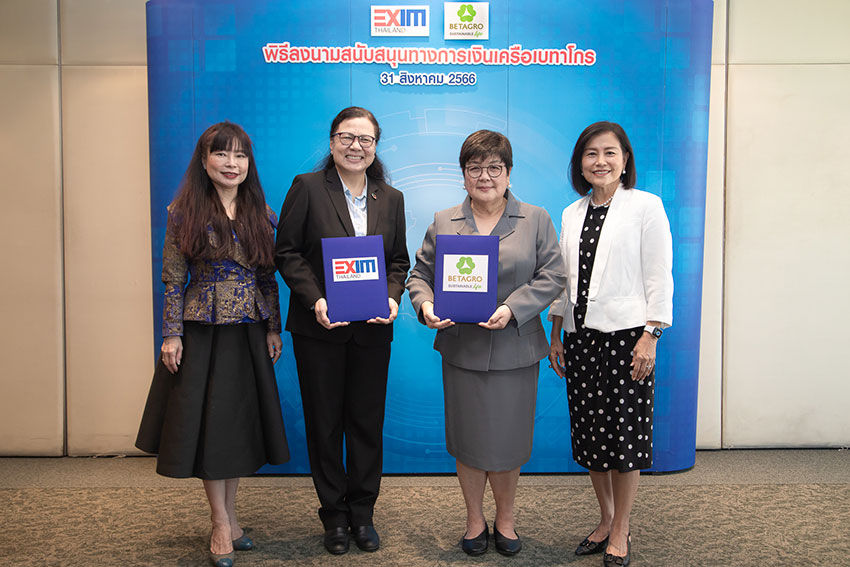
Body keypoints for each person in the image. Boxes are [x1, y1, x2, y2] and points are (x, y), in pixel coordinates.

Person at [136, 122, 290, 567]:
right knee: (210, 427)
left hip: (249, 328)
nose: (231, 163)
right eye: (222, 154)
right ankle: (220, 523)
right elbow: (172, 278)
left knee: (235, 427)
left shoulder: (262, 212)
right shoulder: (182, 211)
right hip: (201, 328)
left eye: (240, 155)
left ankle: (232, 518)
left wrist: (274, 328)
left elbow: (267, 277)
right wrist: (171, 334)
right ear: (204, 161)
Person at [407, 130, 566, 557]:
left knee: (509, 442)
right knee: (469, 440)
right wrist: (425, 306)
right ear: (463, 175)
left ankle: (507, 520)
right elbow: (419, 276)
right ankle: (475, 519)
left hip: (516, 349)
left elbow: (554, 275)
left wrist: (513, 308)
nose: (485, 176)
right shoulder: (444, 220)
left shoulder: (535, 218)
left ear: (508, 173)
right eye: (475, 167)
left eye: (494, 167)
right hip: (463, 349)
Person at [274, 106, 409, 555]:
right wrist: (315, 299)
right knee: (325, 424)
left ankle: (363, 514)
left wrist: (392, 297)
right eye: (347, 137)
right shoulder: (308, 187)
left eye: (365, 139)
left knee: (367, 425)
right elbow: (287, 252)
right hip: (320, 329)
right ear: (332, 142)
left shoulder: (391, 198)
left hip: (372, 331)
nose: (356, 147)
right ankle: (333, 516)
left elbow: (398, 261)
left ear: (375, 146)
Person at [548, 121, 673, 567]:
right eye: (591, 154)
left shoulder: (646, 206)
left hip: (629, 339)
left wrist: (651, 336)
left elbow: (659, 276)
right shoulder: (571, 212)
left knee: (625, 440)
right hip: (580, 338)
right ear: (580, 164)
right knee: (591, 439)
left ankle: (622, 528)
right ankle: (604, 519)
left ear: (625, 160)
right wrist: (556, 332)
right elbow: (563, 279)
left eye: (609, 153)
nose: (600, 161)